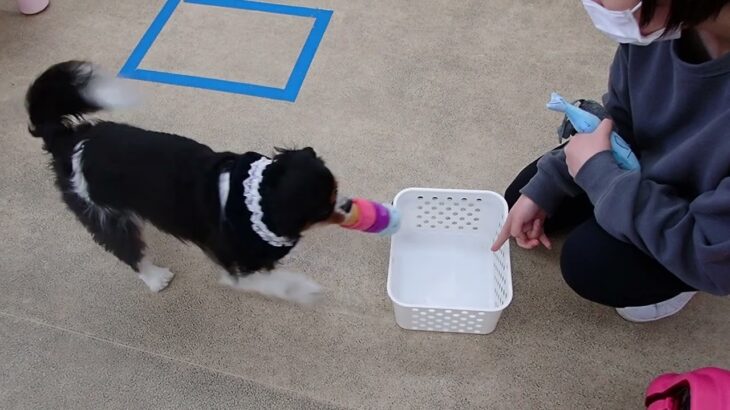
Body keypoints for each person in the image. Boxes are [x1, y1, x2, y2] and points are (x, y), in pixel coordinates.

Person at [491, 0, 730, 322]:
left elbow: (712, 255)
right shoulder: (659, 32)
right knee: (524, 197)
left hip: (708, 228)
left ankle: (679, 284)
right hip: (647, 169)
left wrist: (599, 176)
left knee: (593, 264)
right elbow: (621, 118)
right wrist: (553, 180)